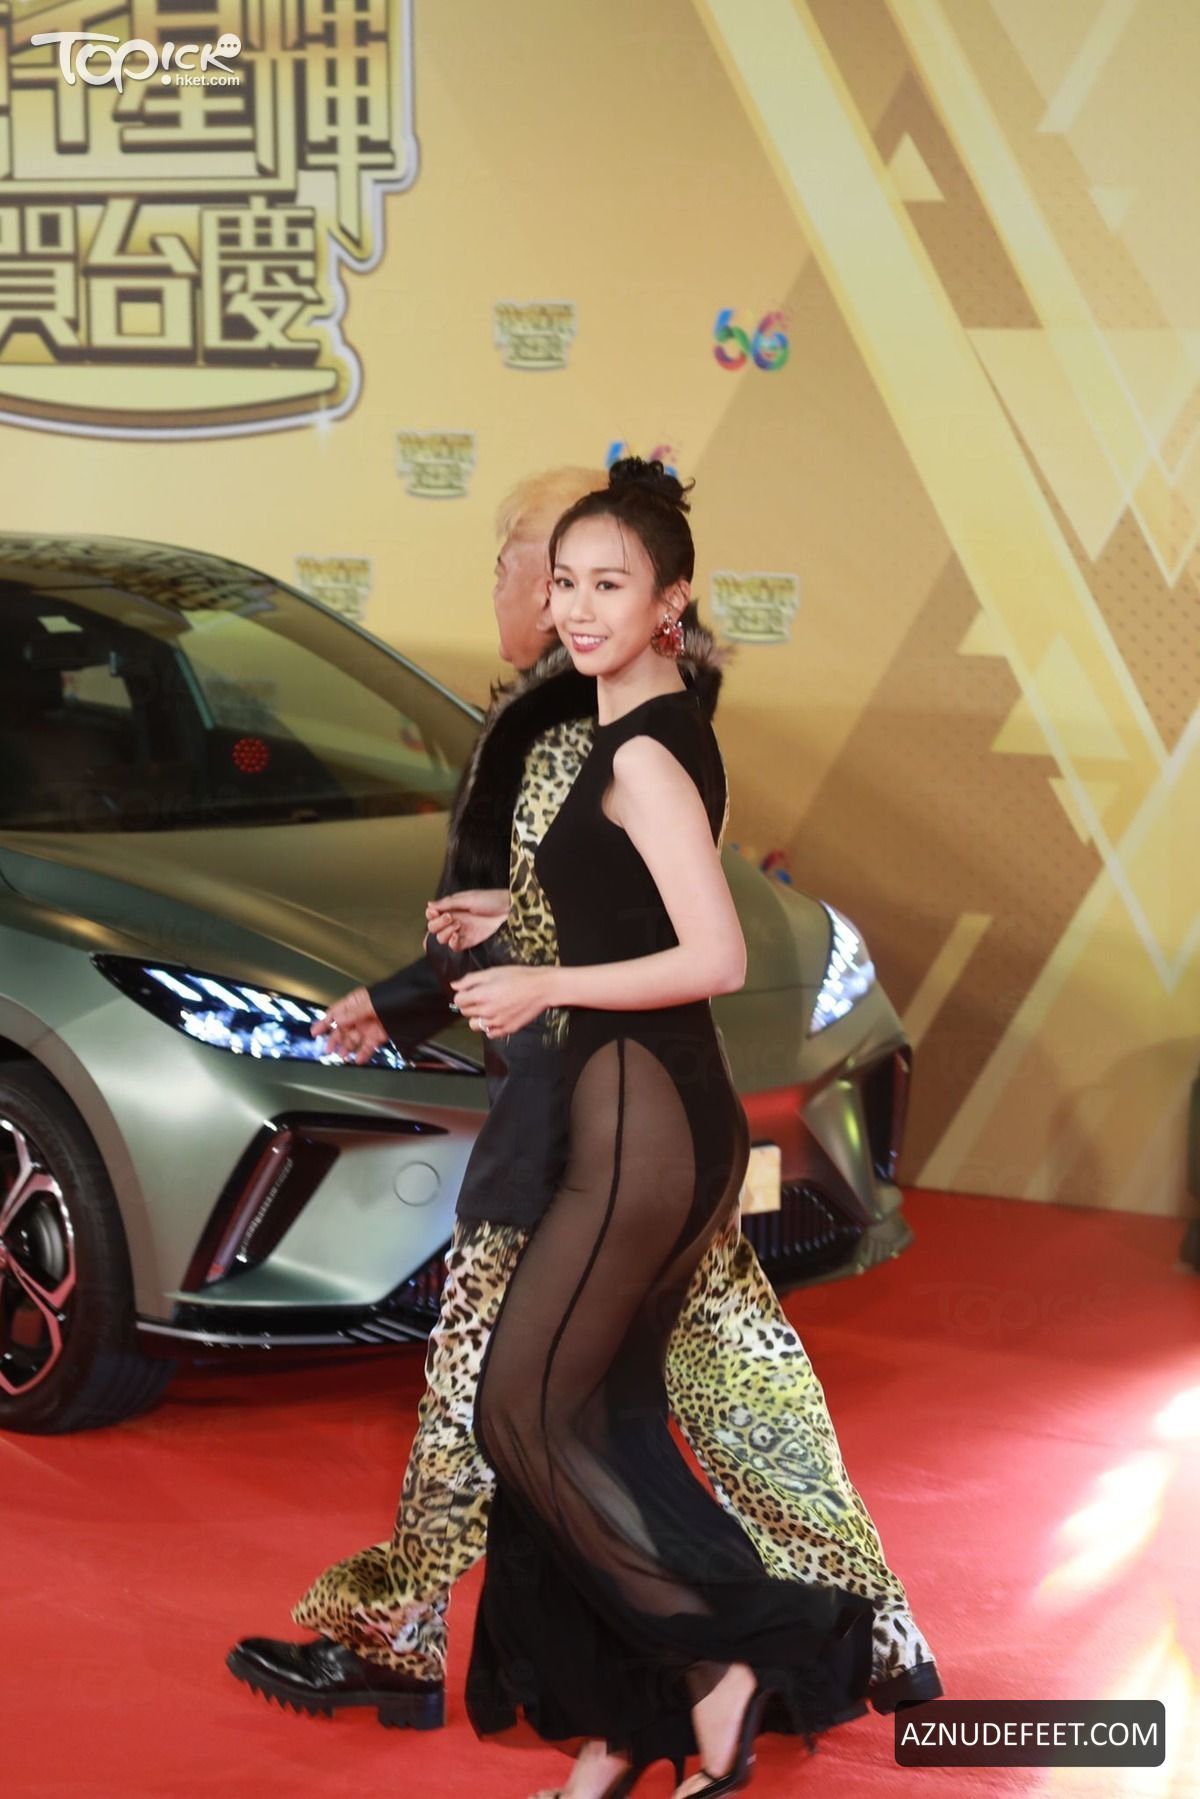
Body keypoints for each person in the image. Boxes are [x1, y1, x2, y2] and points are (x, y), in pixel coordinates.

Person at [227, 466, 940, 1790]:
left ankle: (740, 1655)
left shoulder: (628, 740)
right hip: (615, 1118)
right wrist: (474, 954)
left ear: (670, 601)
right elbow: (605, 899)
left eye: (601, 582)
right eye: (558, 577)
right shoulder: (610, 724)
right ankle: (631, 1724)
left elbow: (708, 949)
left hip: (617, 1125)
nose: (566, 604)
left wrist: (534, 974)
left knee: (529, 1415)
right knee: (587, 1421)